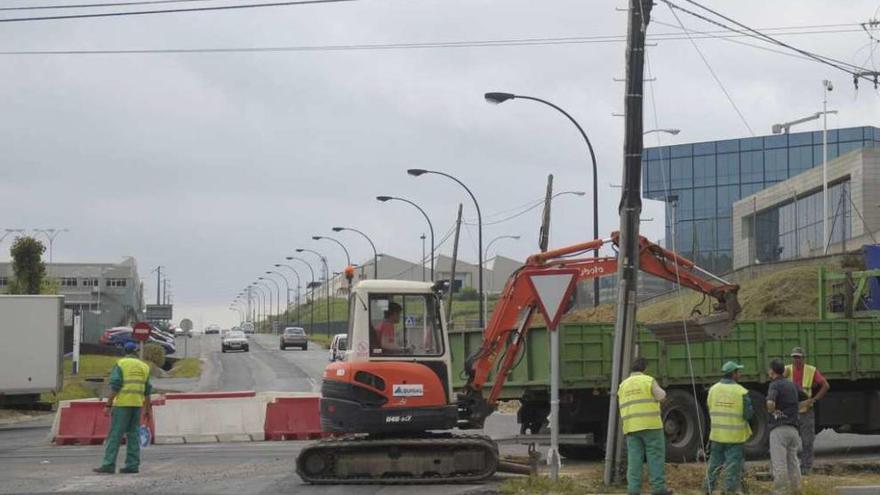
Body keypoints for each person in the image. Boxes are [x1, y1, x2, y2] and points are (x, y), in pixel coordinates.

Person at [93, 341, 153, 474]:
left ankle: (108, 464)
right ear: (136, 352)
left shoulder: (121, 364)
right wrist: (148, 410)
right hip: (137, 405)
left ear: (125, 351)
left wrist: (108, 404)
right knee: (133, 435)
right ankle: (132, 465)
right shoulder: (144, 366)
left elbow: (116, 386)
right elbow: (148, 391)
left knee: (115, 435)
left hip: (122, 405)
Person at [618, 357, 673, 495]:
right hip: (651, 426)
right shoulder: (648, 380)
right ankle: (658, 489)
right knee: (655, 457)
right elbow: (662, 396)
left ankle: (633, 490)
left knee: (634, 459)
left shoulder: (623, 385)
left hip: (631, 427)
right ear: (645, 369)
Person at [704, 361, 753, 495]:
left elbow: (709, 408)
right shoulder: (741, 391)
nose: (740, 374)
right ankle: (729, 491)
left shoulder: (713, 389)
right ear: (733, 374)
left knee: (713, 466)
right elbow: (748, 414)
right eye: (738, 372)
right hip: (734, 437)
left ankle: (707, 489)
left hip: (717, 436)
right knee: (732, 467)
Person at [784, 346, 830, 475]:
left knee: (807, 441)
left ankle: (806, 468)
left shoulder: (811, 370)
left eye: (798, 357)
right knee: (788, 441)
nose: (796, 360)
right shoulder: (786, 370)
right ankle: (791, 468)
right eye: (794, 357)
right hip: (791, 411)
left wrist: (814, 399)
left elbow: (825, 385)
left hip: (806, 410)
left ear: (803, 358)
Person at [766, 358, 801, 494]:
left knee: (779, 463)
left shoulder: (774, 385)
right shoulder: (792, 385)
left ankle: (781, 492)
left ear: (772, 371)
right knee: (793, 462)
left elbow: (770, 402)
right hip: (793, 429)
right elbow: (805, 397)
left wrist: (773, 410)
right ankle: (796, 490)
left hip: (779, 429)